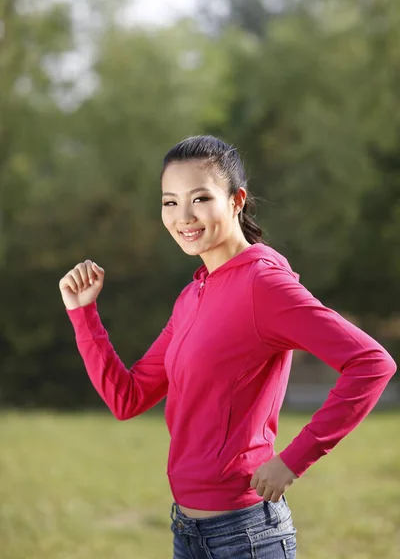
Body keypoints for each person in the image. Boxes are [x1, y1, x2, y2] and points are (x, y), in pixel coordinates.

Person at [59, 135, 397, 559]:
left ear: (237, 200)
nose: (183, 216)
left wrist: (294, 459)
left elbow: (371, 363)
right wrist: (84, 314)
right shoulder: (193, 294)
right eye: (169, 202)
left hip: (246, 537)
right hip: (187, 533)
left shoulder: (263, 286)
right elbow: (126, 398)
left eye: (200, 198)